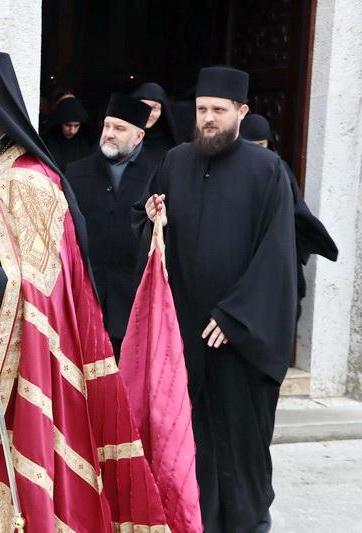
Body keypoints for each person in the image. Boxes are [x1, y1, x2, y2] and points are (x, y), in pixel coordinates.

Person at [0, 45, 168, 532]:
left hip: (6, 366)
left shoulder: (31, 183)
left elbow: (59, 285)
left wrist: (3, 282)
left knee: (4, 486)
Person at [135, 66, 298, 532]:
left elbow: (277, 255)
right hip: (187, 334)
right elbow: (147, 230)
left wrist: (235, 316)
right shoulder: (175, 162)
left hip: (240, 340)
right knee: (190, 443)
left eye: (219, 110)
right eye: (202, 109)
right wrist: (152, 218)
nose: (208, 118)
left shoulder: (267, 170)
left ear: (242, 112)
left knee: (242, 450)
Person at [66, 93, 154, 360]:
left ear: (138, 136)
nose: (110, 134)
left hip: (132, 301)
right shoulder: (75, 172)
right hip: (84, 298)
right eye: (107, 126)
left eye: (120, 128)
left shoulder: (156, 174)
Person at [240, 114, 338, 317]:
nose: (258, 152)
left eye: (262, 145)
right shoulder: (231, 171)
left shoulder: (278, 169)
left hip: (275, 249)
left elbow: (295, 211)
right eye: (251, 146)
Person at [132, 82, 182, 167]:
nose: (149, 113)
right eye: (143, 106)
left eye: (154, 108)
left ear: (162, 111)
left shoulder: (170, 147)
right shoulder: (122, 138)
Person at [41, 96, 95, 173]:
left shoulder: (85, 141)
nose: (72, 131)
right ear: (60, 123)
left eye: (76, 126)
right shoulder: (48, 141)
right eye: (68, 125)